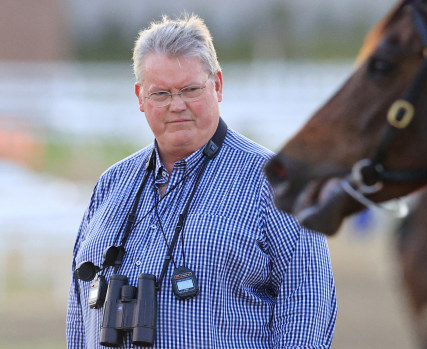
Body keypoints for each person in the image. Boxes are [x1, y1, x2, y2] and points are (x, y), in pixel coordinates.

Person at [66, 13, 337, 349]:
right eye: (161, 94)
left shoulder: (275, 181)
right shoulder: (111, 184)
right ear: (140, 97)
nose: (177, 105)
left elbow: (307, 307)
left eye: (190, 89)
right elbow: (78, 311)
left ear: (218, 85)